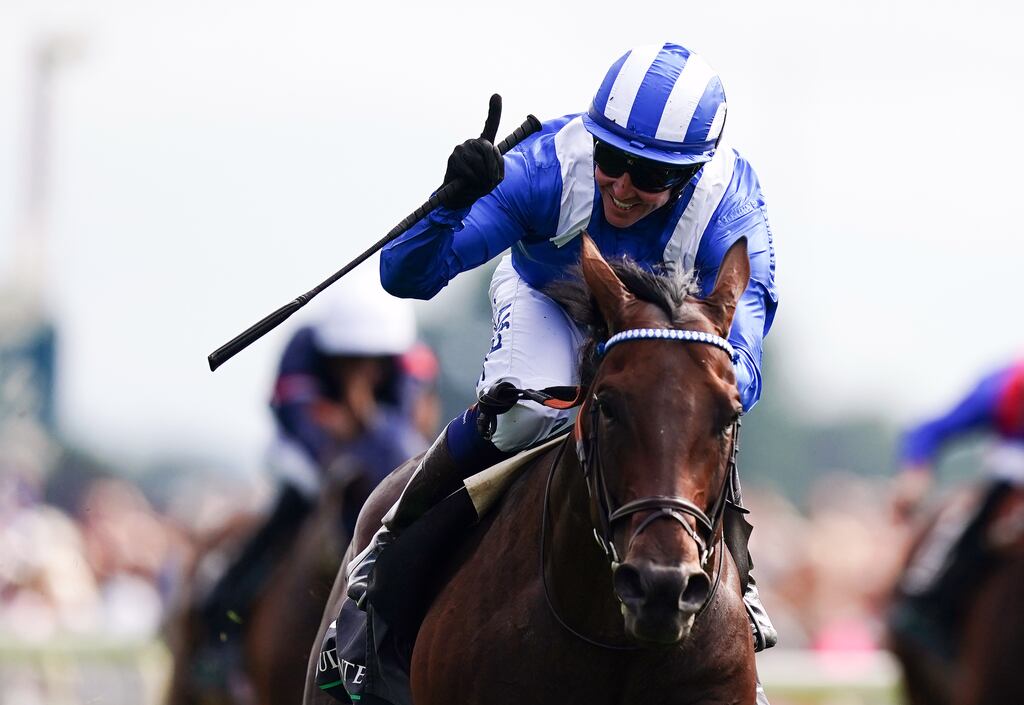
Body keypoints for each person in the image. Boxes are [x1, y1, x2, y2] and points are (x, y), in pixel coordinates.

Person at [343, 42, 780, 663]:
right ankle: (394, 541)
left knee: (690, 415)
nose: (623, 187)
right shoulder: (545, 168)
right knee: (523, 411)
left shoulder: (728, 206)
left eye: (651, 175)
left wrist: (703, 385)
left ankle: (740, 573)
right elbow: (405, 277)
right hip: (550, 300)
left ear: (692, 173)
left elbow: (745, 352)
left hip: (665, 338)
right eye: (612, 159)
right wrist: (449, 205)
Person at [197, 282, 434, 680]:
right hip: (303, 456)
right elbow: (299, 423)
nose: (362, 367)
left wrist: (360, 416)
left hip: (376, 459)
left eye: (374, 359)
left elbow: (401, 434)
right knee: (291, 506)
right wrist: (344, 439)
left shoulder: (411, 359)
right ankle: (221, 621)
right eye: (348, 359)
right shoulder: (302, 346)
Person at [889, 358, 1024, 657]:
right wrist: (916, 472)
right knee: (978, 522)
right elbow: (929, 431)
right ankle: (927, 606)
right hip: (1013, 476)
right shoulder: (1008, 385)